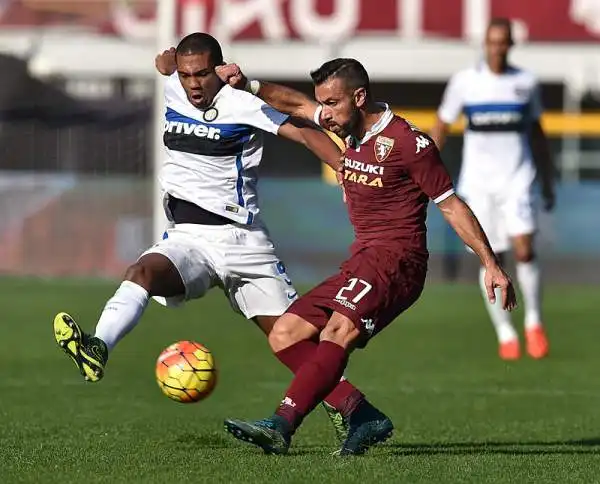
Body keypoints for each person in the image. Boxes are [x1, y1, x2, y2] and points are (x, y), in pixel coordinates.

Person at [52, 33, 368, 444]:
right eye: (187, 75)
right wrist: (167, 62)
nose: (194, 84)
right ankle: (98, 347)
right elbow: (165, 64)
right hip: (189, 238)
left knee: (291, 341)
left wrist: (346, 168)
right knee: (142, 271)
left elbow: (305, 133)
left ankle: (359, 411)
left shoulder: (242, 103)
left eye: (202, 73)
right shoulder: (173, 83)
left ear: (219, 69)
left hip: (244, 242)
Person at [215, 58, 517, 455]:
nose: (327, 113)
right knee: (284, 334)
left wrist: (491, 264)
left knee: (336, 331)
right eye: (324, 102)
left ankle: (281, 424)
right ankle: (361, 414)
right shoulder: (342, 122)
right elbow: (295, 105)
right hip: (362, 259)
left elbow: (451, 205)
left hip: (398, 261)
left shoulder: (409, 142)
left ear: (359, 98)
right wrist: (248, 85)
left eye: (334, 103)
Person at [430, 18, 555, 360]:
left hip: (519, 178)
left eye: (503, 42)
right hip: (479, 185)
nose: (497, 47)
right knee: (492, 259)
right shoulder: (465, 83)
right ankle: (505, 332)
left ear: (511, 45)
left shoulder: (525, 83)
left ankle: (533, 321)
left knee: (525, 249)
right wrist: (424, 165)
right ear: (484, 44)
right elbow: (441, 126)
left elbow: (537, 133)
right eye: (492, 41)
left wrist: (547, 178)